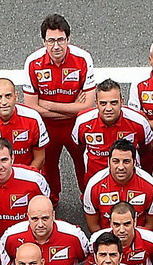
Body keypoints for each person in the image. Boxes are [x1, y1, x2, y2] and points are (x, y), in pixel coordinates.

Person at [20, 14, 97, 203]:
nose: (56, 46)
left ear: (68, 39)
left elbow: (88, 106)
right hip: (47, 126)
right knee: (48, 167)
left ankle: (88, 201)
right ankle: (51, 202)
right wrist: (72, 106)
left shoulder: (83, 59)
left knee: (84, 164)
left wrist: (48, 104)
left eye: (61, 40)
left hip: (76, 123)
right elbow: (31, 107)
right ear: (43, 41)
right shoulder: (32, 62)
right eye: (51, 41)